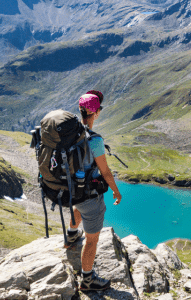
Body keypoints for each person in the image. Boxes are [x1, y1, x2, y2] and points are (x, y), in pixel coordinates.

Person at [66, 90, 122, 291]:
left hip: (72, 190)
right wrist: (116, 191)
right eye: (99, 109)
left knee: (78, 206)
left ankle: (71, 235)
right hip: (89, 195)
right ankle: (88, 280)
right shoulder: (94, 140)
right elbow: (105, 172)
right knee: (91, 240)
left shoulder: (69, 132)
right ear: (96, 113)